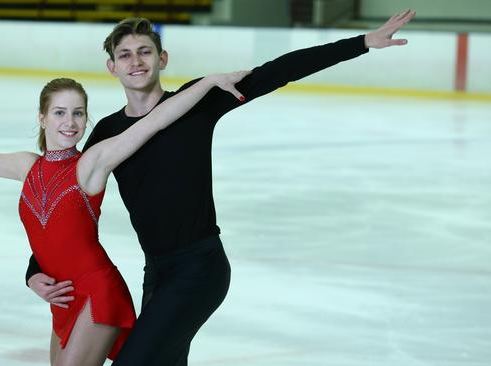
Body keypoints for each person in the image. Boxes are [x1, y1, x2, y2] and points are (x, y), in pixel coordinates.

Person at [24, 9, 417, 366]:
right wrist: (35, 269)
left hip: (200, 268)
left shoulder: (197, 101)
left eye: (145, 51)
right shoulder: (107, 133)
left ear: (162, 59)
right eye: (125, 55)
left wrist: (361, 43)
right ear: (112, 67)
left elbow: (279, 70)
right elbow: (65, 205)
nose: (136, 61)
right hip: (156, 273)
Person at [0, 71, 249, 366]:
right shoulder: (26, 166)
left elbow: (153, 124)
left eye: (78, 113)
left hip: (97, 291)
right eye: (60, 112)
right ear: (42, 117)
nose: (70, 122)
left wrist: (205, 84)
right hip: (63, 298)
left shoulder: (90, 164)